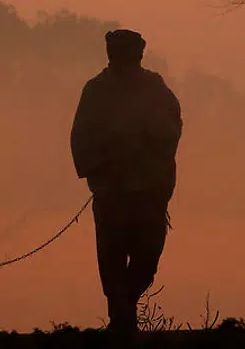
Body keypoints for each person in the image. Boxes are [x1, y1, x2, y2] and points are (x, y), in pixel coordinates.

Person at [70, 29, 183, 332]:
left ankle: (126, 303)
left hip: (150, 189)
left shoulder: (155, 88)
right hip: (111, 190)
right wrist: (103, 164)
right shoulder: (96, 90)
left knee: (148, 255)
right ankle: (121, 316)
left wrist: (145, 143)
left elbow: (172, 130)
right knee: (111, 256)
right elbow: (81, 136)